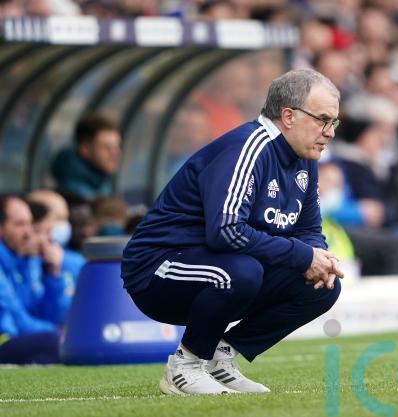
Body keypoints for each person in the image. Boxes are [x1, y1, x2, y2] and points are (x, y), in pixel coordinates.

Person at [122, 69, 344, 395]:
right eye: (323, 120)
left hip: (223, 266)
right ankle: (184, 368)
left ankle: (220, 358)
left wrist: (318, 257)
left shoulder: (304, 157)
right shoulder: (248, 148)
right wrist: (302, 255)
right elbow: (225, 231)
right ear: (288, 116)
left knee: (322, 287)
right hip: (157, 268)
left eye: (333, 122)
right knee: (243, 271)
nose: (330, 132)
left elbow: (307, 228)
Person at [0, 195, 74, 364]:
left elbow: (51, 315)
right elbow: (18, 320)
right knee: (56, 342)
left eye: (29, 223)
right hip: (7, 339)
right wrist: (61, 332)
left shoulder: (25, 261)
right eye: (19, 224)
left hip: (22, 338)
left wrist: (54, 275)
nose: (29, 232)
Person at [51, 113, 121, 199]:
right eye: (107, 147)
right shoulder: (73, 195)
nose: (115, 153)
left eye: (116, 146)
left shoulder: (100, 182)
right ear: (85, 149)